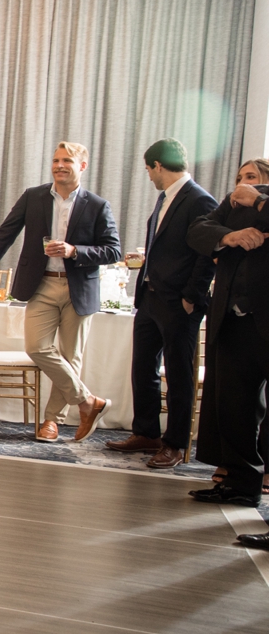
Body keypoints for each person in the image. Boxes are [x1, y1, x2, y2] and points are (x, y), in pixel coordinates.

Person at [0, 142, 122, 442]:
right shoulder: (33, 196)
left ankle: (52, 421)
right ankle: (88, 401)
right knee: (37, 347)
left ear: (82, 166)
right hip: (41, 284)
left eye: (67, 161)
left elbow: (113, 250)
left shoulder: (97, 205)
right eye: (55, 160)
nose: (59, 165)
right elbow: (5, 235)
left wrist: (74, 250)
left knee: (70, 355)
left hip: (80, 287)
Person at [106, 140, 216, 469]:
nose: (148, 176)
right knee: (143, 369)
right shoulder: (165, 198)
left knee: (179, 375)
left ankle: (176, 444)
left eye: (148, 169)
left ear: (157, 166)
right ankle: (147, 432)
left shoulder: (199, 200)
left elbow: (206, 255)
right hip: (151, 298)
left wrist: (190, 298)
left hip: (177, 302)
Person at [184, 167, 269, 515]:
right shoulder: (235, 202)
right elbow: (198, 230)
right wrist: (229, 237)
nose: (243, 182)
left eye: (252, 175)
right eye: (240, 176)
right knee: (233, 406)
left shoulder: (257, 198)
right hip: (234, 320)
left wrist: (261, 202)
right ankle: (241, 485)